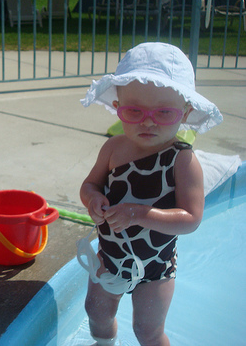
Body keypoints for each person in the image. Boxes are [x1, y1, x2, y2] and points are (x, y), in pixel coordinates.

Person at [77, 43, 223, 346]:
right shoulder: (113, 149)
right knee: (96, 313)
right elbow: (89, 185)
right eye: (134, 110)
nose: (148, 121)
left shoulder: (182, 161)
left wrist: (139, 214)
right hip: (111, 256)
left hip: (156, 266)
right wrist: (92, 199)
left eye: (164, 112)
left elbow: (191, 219)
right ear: (118, 107)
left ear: (185, 113)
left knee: (148, 330)